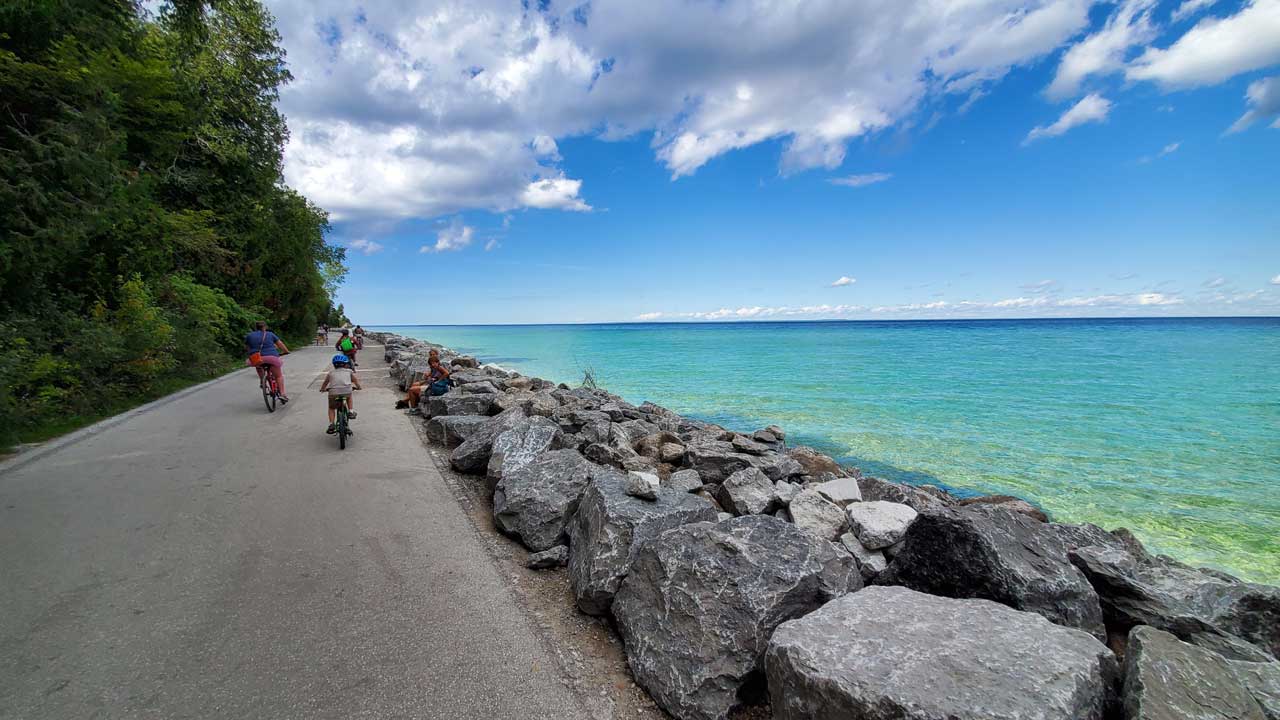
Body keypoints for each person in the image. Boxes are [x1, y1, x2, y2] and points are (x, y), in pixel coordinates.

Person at [244, 321, 290, 403]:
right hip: (271, 357)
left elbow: (248, 348)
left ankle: (262, 380)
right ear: (265, 327)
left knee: (258, 365)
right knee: (278, 376)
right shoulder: (270, 334)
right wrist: (286, 351)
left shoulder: (249, 335)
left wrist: (251, 355)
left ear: (256, 327)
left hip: (256, 358)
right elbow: (280, 344)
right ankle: (282, 394)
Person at [318, 353, 360, 434]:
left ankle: (331, 424)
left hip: (333, 393)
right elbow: (355, 380)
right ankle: (351, 411)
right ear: (345, 364)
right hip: (346, 391)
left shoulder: (331, 373)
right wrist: (358, 387)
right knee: (349, 396)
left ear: (334, 365)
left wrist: (322, 389)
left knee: (331, 408)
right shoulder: (349, 371)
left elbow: (325, 383)